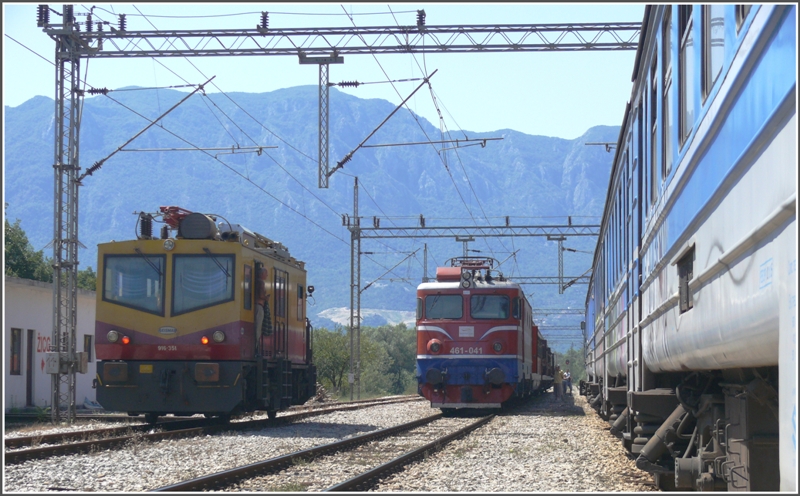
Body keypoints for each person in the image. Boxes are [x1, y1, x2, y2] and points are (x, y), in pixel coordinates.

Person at [254, 266, 271, 355]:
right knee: (258, 328)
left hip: (256, 306)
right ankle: (256, 347)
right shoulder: (261, 282)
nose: (267, 275)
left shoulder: (256, 281)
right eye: (266, 274)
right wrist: (266, 298)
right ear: (262, 274)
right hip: (259, 306)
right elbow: (260, 295)